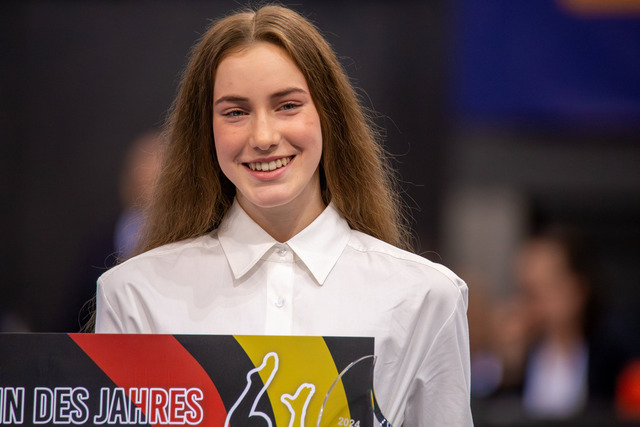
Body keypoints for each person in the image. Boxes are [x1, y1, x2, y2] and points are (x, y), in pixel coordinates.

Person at [94, 5, 472, 425]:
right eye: (235, 112)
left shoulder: (427, 298)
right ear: (205, 130)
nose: (263, 137)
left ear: (328, 115)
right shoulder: (135, 295)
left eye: (287, 105)